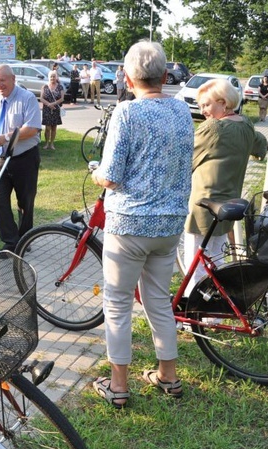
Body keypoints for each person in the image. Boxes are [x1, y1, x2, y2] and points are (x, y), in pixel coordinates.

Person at [90, 41, 194, 407]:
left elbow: (112, 175)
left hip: (130, 223)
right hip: (169, 224)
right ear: (165, 76)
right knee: (158, 300)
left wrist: (96, 175)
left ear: (129, 78)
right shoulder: (182, 111)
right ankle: (168, 375)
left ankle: (119, 386)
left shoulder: (126, 113)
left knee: (118, 303)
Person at [182, 78, 268, 297]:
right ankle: (215, 307)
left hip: (203, 204)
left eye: (207, 104)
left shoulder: (214, 128)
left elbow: (184, 156)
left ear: (223, 103)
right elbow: (260, 143)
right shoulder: (245, 124)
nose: (203, 110)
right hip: (229, 204)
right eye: (201, 105)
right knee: (217, 261)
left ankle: (195, 311)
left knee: (195, 264)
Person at [0, 64, 41, 252]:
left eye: (2, 80)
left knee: (25, 203)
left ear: (13, 79)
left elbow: (32, 128)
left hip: (24, 159)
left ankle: (25, 239)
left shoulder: (27, 98)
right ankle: (11, 242)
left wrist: (5, 137)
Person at [40, 70, 65, 150]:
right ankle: (46, 143)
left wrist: (53, 104)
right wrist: (49, 104)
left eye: (54, 76)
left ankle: (52, 144)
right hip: (47, 109)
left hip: (56, 109)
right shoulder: (45, 86)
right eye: (51, 76)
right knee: (47, 128)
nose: (52, 78)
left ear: (56, 77)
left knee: (54, 127)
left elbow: (62, 99)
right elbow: (41, 98)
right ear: (48, 77)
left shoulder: (60, 87)